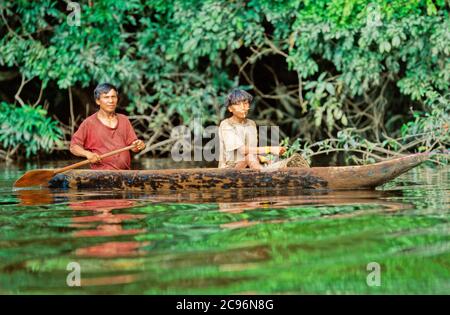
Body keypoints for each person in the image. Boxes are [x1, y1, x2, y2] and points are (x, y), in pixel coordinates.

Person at [70, 83, 146, 170]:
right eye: (106, 97)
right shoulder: (89, 123)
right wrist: (88, 154)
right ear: (98, 101)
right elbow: (74, 147)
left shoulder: (124, 120)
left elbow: (134, 148)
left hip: (125, 174)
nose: (111, 101)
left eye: (113, 97)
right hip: (101, 175)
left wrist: (139, 145)